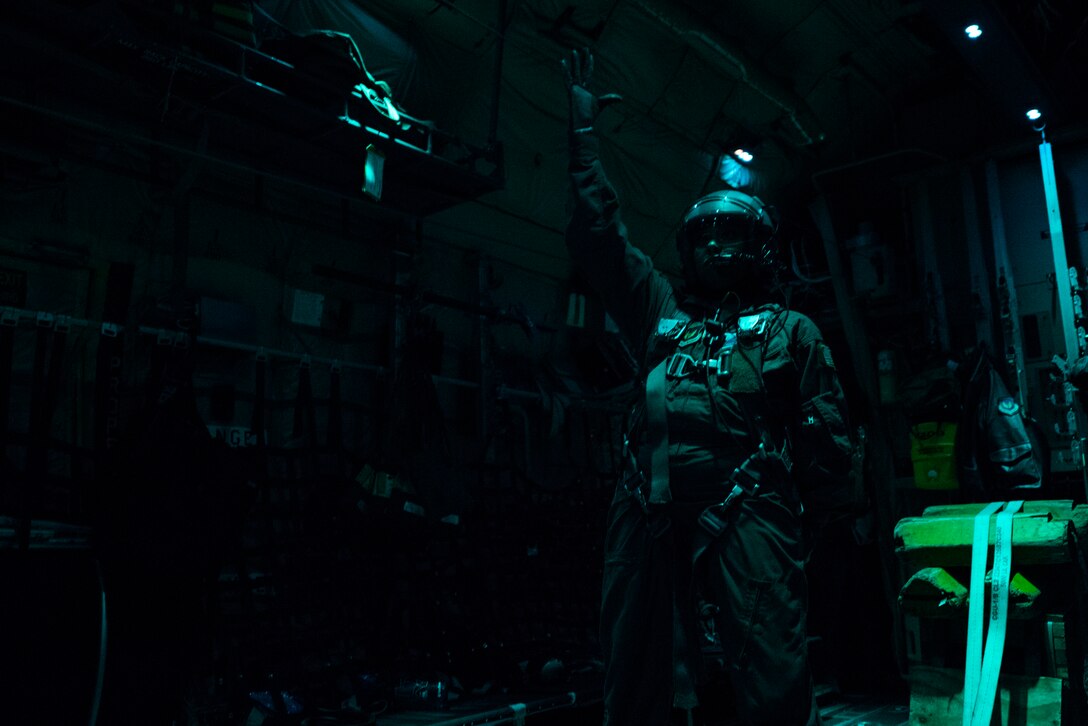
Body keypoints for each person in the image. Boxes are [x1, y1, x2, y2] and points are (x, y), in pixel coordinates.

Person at [561, 48, 858, 725]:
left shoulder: (791, 330)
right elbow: (598, 236)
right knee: (634, 676)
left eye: (735, 233)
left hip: (750, 505)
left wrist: (809, 528)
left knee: (774, 679)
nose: (720, 247)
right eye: (708, 234)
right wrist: (581, 139)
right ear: (688, 246)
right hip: (646, 506)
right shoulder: (656, 309)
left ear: (760, 247)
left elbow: (827, 444)